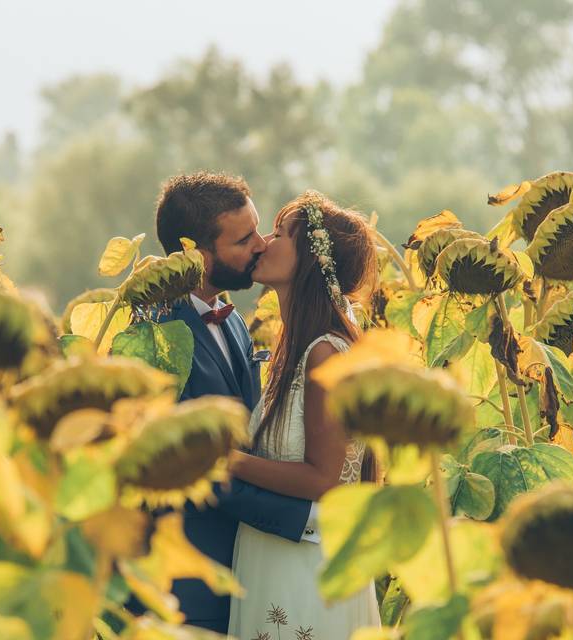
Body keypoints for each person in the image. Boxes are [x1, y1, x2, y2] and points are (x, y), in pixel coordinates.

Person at [151, 172, 321, 634]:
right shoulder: (155, 336)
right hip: (186, 591)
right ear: (195, 252)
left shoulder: (232, 323)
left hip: (248, 578)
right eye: (243, 240)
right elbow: (192, 469)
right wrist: (306, 520)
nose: (261, 246)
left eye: (259, 230)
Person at [226, 190, 381, 639]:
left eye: (279, 234)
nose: (263, 243)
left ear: (311, 261)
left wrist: (227, 461)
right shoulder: (294, 350)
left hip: (304, 571)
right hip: (273, 557)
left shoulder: (325, 355)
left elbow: (324, 478)